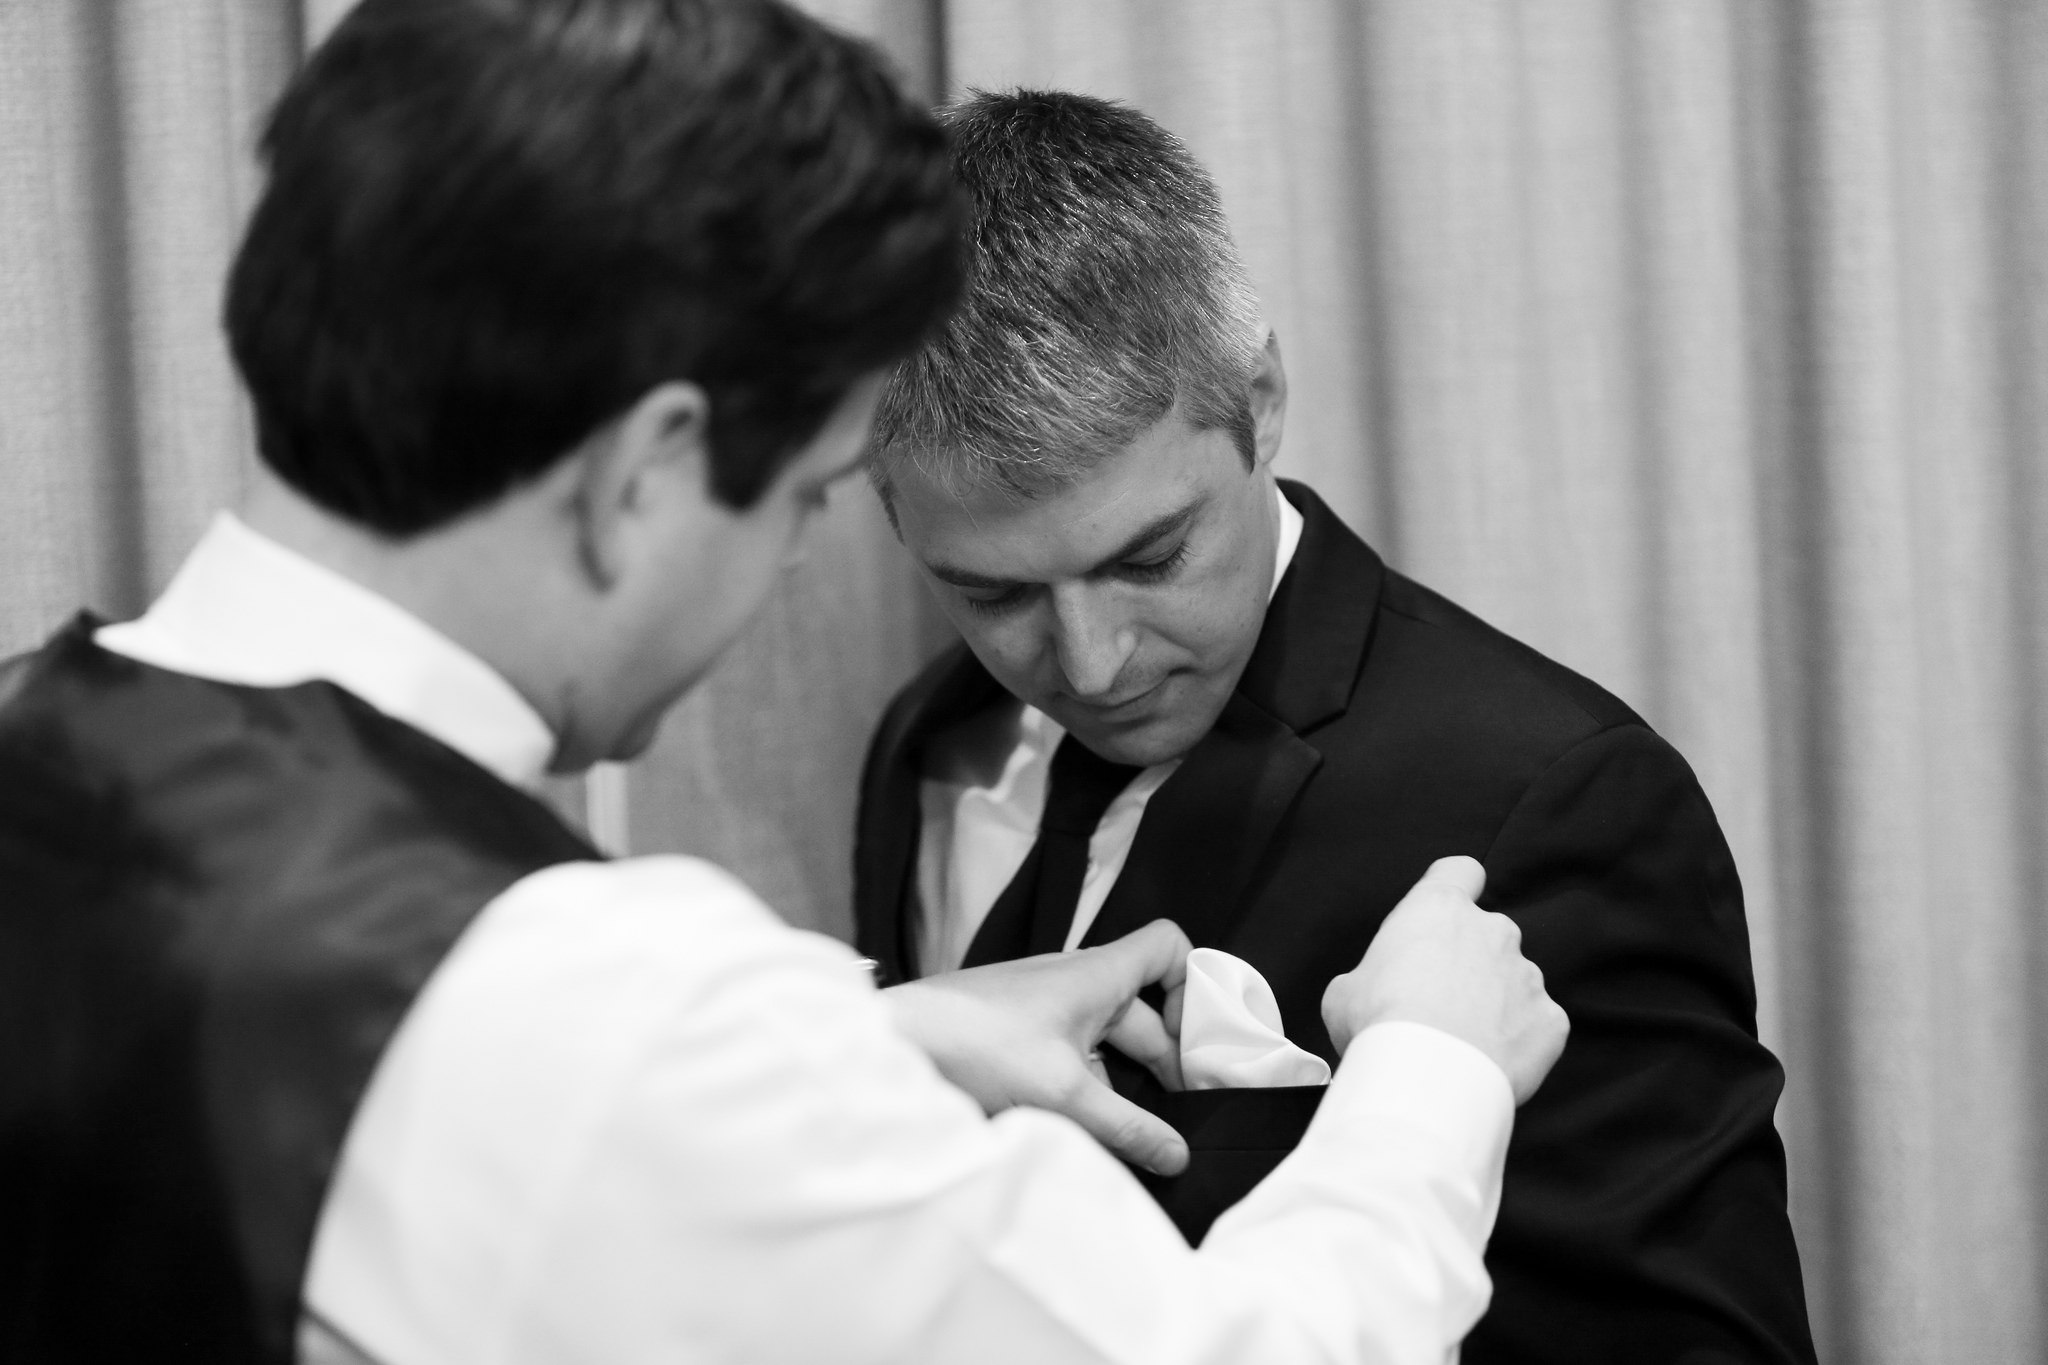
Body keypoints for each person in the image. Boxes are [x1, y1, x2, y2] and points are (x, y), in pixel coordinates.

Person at [0, 4, 1570, 1363]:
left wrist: (873, 1047)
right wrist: (1430, 1070)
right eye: (806, 497)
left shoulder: (34, 744)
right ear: (644, 473)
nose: (785, 567)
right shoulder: (606, 1010)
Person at [853, 89, 1817, 1365]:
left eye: (1148, 558)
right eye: (993, 595)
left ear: (1257, 400)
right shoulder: (925, 745)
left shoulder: (1548, 798)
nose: (1088, 661)